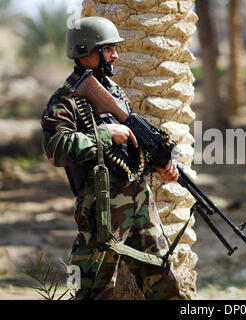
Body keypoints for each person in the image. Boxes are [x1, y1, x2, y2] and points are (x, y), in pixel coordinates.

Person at [41, 17, 185, 299]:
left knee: (163, 282)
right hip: (101, 208)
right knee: (94, 289)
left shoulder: (114, 93)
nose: (115, 55)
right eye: (107, 49)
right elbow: (56, 148)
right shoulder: (65, 100)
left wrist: (161, 164)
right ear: (85, 50)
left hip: (140, 200)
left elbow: (130, 148)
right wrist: (106, 134)